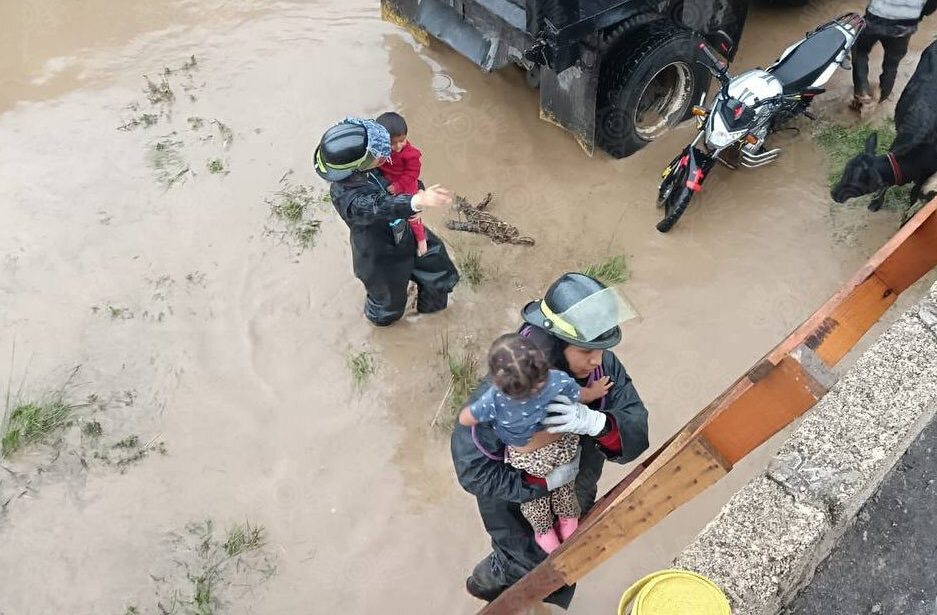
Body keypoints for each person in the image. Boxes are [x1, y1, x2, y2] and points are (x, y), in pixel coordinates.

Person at [451, 272, 650, 608]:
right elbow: (472, 470)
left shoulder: (600, 370)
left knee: (568, 562)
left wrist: (598, 422)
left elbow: (636, 432)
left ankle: (523, 593)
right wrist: (536, 482)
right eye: (588, 350)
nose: (598, 360)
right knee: (521, 560)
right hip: (514, 501)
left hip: (577, 485)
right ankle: (485, 587)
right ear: (556, 342)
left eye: (603, 348)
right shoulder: (510, 387)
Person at [459, 333, 602, 553]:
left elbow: (465, 419)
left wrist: (484, 413)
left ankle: (548, 537)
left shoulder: (496, 398)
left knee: (539, 505)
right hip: (561, 450)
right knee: (564, 491)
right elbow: (581, 394)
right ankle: (566, 526)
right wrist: (595, 392)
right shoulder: (555, 380)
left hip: (528, 460)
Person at [313, 118, 460, 326]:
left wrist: (417, 189)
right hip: (380, 255)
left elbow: (401, 177)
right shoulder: (348, 197)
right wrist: (417, 200)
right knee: (388, 307)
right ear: (357, 166)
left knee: (440, 271)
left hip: (405, 232)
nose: (384, 153)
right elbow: (378, 206)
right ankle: (383, 327)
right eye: (376, 154)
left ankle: (433, 320)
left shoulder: (371, 169)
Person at [850, 0, 936, 109]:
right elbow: (932, 4)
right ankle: (880, 98)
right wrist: (918, 15)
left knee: (859, 50)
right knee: (891, 64)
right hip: (904, 25)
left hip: (876, 18)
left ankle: (862, 90)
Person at [376, 112, 427, 257]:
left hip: (406, 184)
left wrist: (398, 186)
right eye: (392, 143)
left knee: (413, 215)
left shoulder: (411, 154)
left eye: (402, 140)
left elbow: (413, 174)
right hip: (388, 180)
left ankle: (421, 239)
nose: (398, 146)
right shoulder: (381, 150)